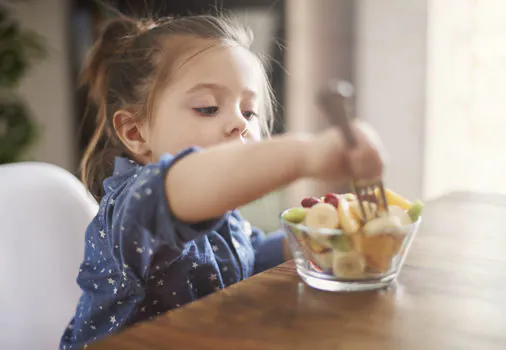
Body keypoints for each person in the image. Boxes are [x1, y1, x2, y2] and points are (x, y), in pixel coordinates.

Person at [60, 14, 384, 349]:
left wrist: (306, 240)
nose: (238, 123)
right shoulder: (136, 206)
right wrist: (308, 154)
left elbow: (244, 258)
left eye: (249, 111)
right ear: (135, 132)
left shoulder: (218, 212)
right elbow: (190, 180)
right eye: (208, 108)